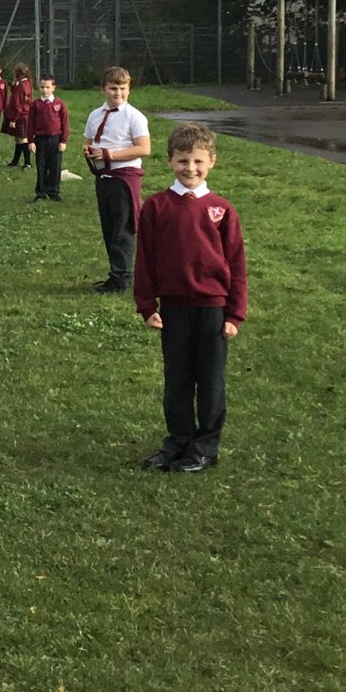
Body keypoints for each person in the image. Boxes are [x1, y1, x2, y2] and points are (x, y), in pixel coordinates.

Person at [134, 122, 247, 473]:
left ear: (211, 162)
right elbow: (146, 260)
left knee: (210, 380)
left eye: (198, 161)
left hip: (212, 310)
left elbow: (237, 264)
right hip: (173, 309)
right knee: (178, 379)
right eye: (183, 161)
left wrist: (234, 315)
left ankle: (204, 447)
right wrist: (147, 306)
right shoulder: (156, 207)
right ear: (170, 161)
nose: (190, 169)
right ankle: (178, 441)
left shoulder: (222, 210)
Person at [83, 66, 152, 293]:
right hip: (103, 176)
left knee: (123, 228)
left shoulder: (135, 117)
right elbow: (87, 140)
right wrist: (89, 151)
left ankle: (122, 278)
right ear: (104, 89)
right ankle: (115, 273)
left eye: (123, 88)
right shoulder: (95, 115)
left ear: (129, 89)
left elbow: (144, 148)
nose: (118, 93)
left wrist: (110, 155)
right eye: (113, 88)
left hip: (124, 177)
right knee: (109, 226)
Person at [30, 74, 69, 202]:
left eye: (47, 87)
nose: (45, 90)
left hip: (55, 139)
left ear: (53, 88)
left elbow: (64, 123)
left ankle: (53, 191)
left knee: (55, 166)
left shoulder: (59, 104)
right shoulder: (35, 104)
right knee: (41, 166)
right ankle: (41, 192)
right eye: (42, 87)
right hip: (40, 139)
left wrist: (63, 140)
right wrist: (31, 141)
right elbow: (30, 123)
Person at [7, 65, 35, 169]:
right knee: (18, 139)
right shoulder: (28, 83)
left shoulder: (20, 87)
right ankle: (15, 161)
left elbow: (18, 104)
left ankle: (28, 162)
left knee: (23, 139)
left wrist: (14, 119)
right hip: (26, 114)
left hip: (21, 115)